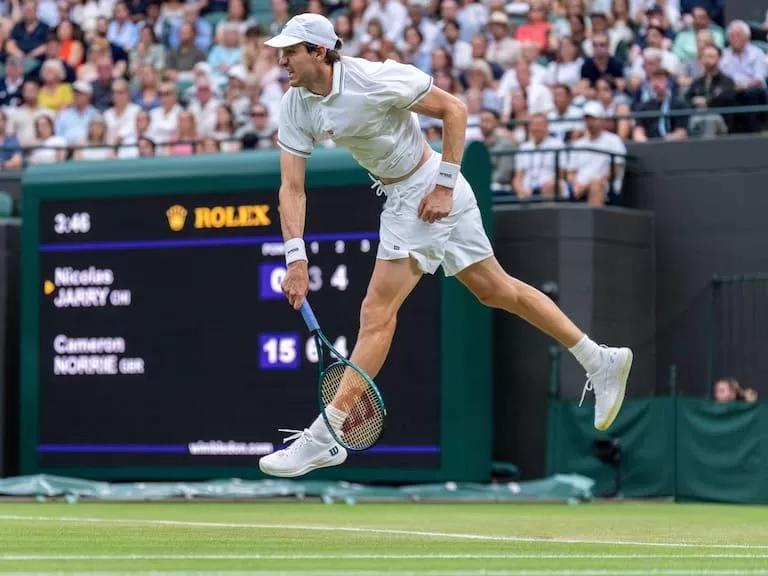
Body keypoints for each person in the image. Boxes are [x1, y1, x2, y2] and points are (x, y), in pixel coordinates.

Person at [257, 13, 633, 478]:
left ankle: (326, 436)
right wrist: (295, 258)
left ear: (318, 52)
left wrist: (444, 186)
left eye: (290, 52)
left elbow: (455, 109)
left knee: (376, 314)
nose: (282, 61)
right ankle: (599, 359)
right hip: (406, 193)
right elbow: (292, 187)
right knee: (497, 290)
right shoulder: (296, 103)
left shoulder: (375, 79)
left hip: (426, 192)